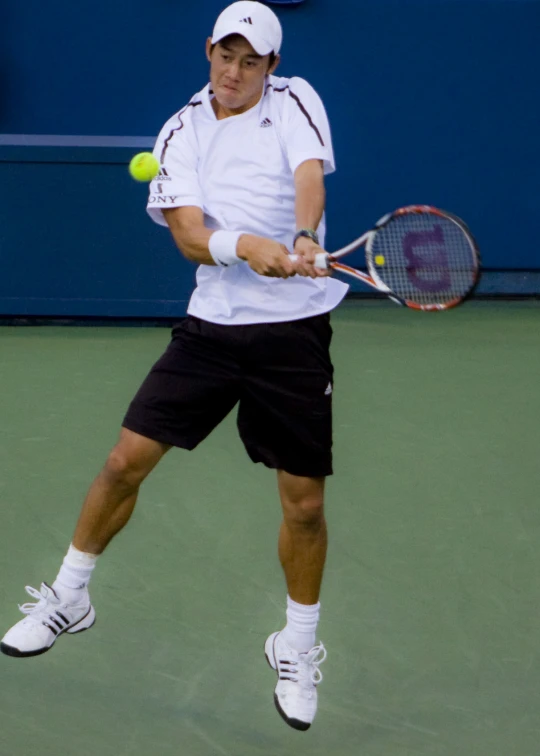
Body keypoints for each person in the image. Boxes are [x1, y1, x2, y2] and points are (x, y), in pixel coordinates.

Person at [1, 0, 348, 732]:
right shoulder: (180, 128)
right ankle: (70, 596)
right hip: (211, 330)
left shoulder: (296, 102)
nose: (234, 70)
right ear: (208, 52)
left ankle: (297, 644)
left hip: (291, 334)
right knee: (125, 461)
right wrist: (246, 246)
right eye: (225, 55)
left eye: (250, 60)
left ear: (272, 67)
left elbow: (309, 174)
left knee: (305, 504)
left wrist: (305, 233)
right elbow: (190, 235)